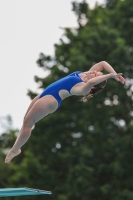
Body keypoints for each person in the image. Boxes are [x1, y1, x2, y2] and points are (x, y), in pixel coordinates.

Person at [5, 61, 125, 163]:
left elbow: (92, 82)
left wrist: (109, 76)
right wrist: (114, 74)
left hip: (52, 99)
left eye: (96, 75)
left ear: (94, 84)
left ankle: (15, 150)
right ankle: (16, 146)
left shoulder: (84, 87)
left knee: (28, 123)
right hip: (45, 93)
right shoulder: (84, 74)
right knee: (25, 121)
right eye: (96, 72)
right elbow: (103, 63)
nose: (93, 72)